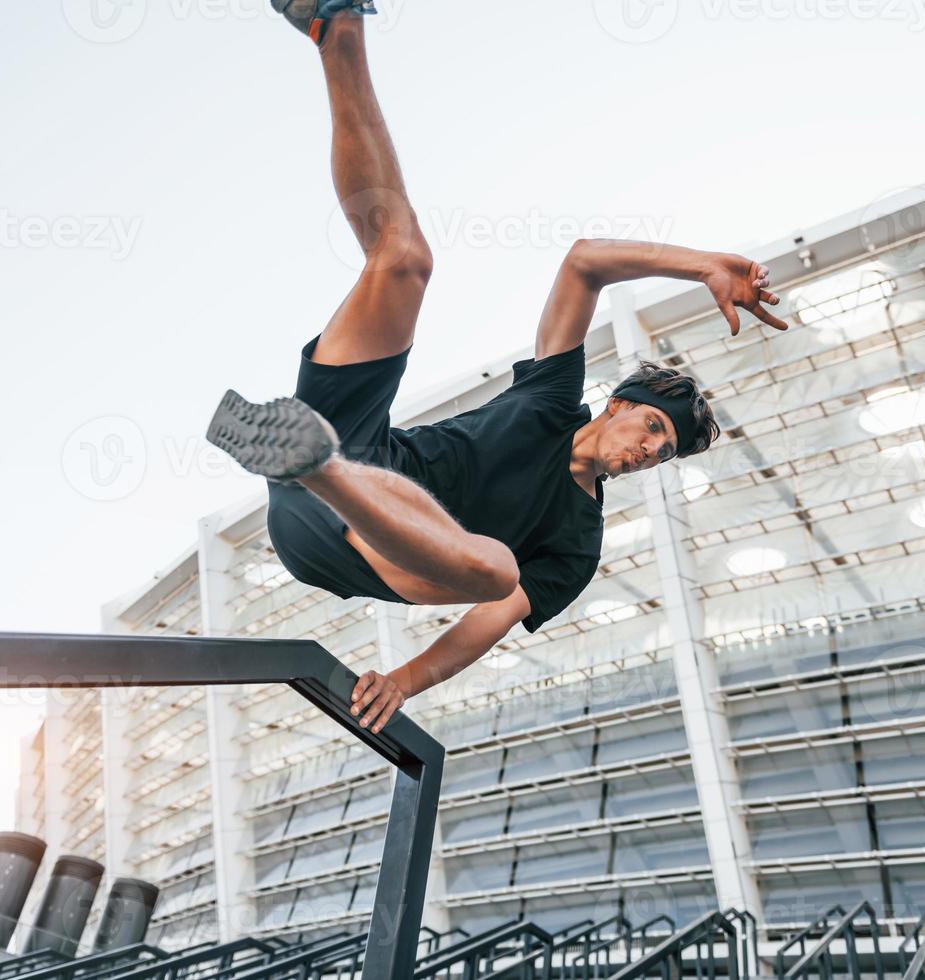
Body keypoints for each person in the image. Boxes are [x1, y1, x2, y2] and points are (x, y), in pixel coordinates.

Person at [207, 0, 789, 735]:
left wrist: (407, 680)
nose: (648, 450)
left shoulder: (576, 543)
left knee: (499, 572)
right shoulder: (554, 397)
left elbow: (491, 618)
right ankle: (335, 29)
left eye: (662, 451)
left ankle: (316, 468)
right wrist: (699, 261)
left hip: (348, 544)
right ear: (615, 404)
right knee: (404, 262)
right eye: (649, 426)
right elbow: (584, 263)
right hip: (362, 447)